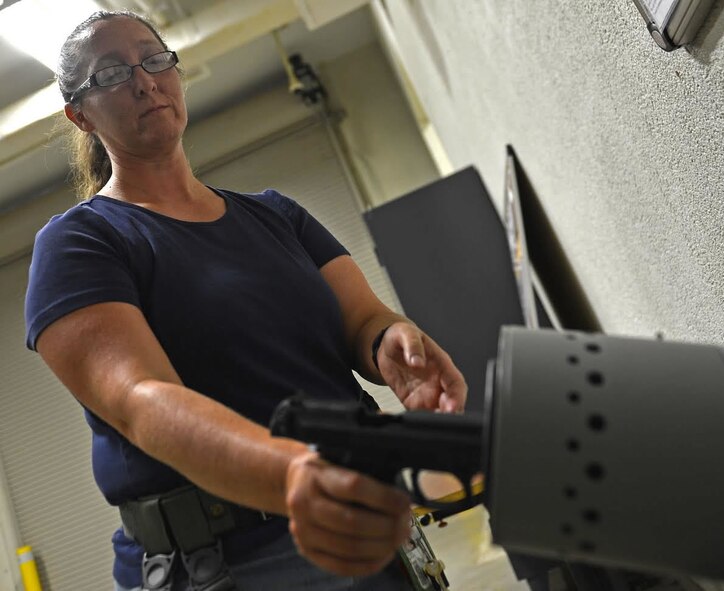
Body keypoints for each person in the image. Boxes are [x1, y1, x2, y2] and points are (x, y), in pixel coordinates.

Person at [24, 10, 467, 591]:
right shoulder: (80, 241)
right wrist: (293, 476)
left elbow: (362, 319)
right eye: (110, 73)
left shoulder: (277, 214)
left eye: (155, 59)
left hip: (367, 531)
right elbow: (142, 400)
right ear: (78, 113)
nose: (143, 81)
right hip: (227, 564)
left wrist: (394, 345)